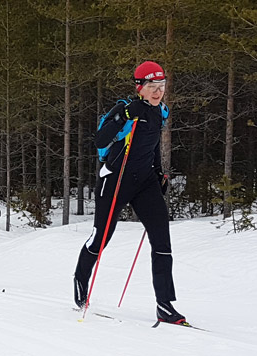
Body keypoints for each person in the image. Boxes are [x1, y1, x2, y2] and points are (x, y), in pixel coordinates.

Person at [73, 61, 185, 324]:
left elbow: (152, 145)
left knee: (162, 241)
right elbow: (100, 141)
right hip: (115, 179)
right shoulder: (125, 110)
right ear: (140, 88)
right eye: (152, 87)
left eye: (162, 86)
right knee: (100, 238)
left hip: (145, 181)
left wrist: (160, 173)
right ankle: (80, 280)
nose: (158, 92)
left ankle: (165, 305)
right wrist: (123, 116)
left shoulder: (161, 113)